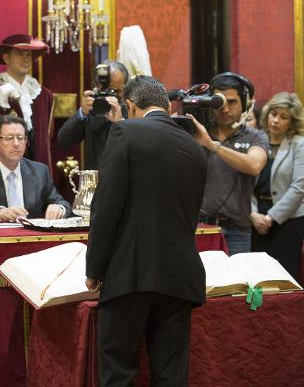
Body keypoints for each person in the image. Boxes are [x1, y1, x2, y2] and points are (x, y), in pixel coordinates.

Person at [85, 75, 207, 386]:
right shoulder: (194, 148)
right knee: (171, 375)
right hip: (180, 276)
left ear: (129, 106)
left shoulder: (126, 130)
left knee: (119, 372)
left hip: (131, 272)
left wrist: (95, 267)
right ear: (167, 105)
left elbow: (106, 206)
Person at [190, 72, 269, 254]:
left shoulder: (256, 136)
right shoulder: (197, 132)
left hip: (238, 231)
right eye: (219, 102)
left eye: (232, 102)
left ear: (246, 103)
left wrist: (213, 146)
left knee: (237, 282)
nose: (225, 109)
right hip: (200, 227)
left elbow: (254, 165)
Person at [0, 115, 71, 222]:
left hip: (32, 237)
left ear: (26, 142)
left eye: (20, 138)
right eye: (9, 138)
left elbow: (61, 202)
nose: (16, 144)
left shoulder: (39, 171)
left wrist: (60, 208)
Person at [0, 34, 53, 167]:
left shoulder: (44, 95)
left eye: (28, 54)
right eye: (19, 54)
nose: (25, 59)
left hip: (37, 173)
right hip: (0, 170)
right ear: (6, 58)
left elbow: (47, 137)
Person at [250, 92, 304, 280]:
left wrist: (271, 218)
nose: (276, 120)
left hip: (287, 219)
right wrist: (253, 214)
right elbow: (245, 183)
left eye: (283, 117)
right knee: (257, 276)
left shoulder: (299, 145)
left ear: (292, 121)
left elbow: (299, 187)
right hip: (256, 218)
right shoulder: (256, 140)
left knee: (284, 276)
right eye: (274, 114)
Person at [56, 60, 129, 169]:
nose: (110, 95)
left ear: (125, 88)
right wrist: (82, 113)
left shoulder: (133, 109)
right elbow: (63, 141)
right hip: (95, 180)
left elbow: (140, 149)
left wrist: (121, 122)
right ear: (97, 86)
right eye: (106, 89)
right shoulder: (91, 108)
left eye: (116, 91)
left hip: (123, 179)